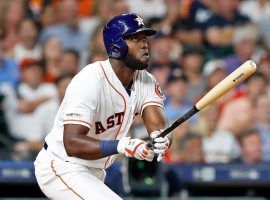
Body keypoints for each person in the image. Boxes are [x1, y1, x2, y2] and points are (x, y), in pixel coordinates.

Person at [34, 13, 172, 200]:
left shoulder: (146, 81)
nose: (144, 44)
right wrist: (122, 145)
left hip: (95, 171)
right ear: (116, 44)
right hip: (62, 165)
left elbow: (158, 124)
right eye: (134, 38)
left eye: (144, 38)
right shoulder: (90, 80)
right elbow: (72, 142)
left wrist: (163, 138)